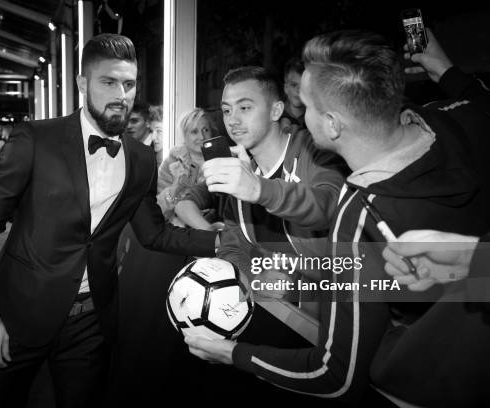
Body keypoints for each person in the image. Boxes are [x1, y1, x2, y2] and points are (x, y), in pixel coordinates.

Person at [186, 29, 490, 406]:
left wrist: (231, 354)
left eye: (306, 106)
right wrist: (445, 70)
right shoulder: (461, 117)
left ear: (331, 124)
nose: (299, 115)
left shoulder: (359, 217)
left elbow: (336, 376)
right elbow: (481, 100)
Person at [0, 33, 218, 408]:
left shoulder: (142, 159)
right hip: (18, 316)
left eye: (129, 84)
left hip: (91, 323)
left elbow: (154, 235)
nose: (121, 93)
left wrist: (226, 243)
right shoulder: (35, 139)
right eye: (108, 81)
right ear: (83, 84)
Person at [191, 65, 346, 405]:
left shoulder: (311, 149)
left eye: (245, 108)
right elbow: (234, 242)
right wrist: (239, 286)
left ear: (277, 109)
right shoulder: (240, 167)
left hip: (336, 320)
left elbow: (328, 204)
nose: (233, 120)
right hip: (275, 314)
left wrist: (259, 189)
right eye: (227, 110)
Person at [156, 108, 217, 226]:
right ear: (184, 135)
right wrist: (175, 188)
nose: (202, 136)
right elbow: (158, 213)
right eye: (194, 132)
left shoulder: (223, 160)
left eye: (205, 130)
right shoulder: (171, 163)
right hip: (179, 234)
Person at [281, 56, 306, 132]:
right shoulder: (277, 114)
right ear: (286, 88)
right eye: (294, 85)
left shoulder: (316, 117)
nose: (298, 90)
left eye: (303, 86)